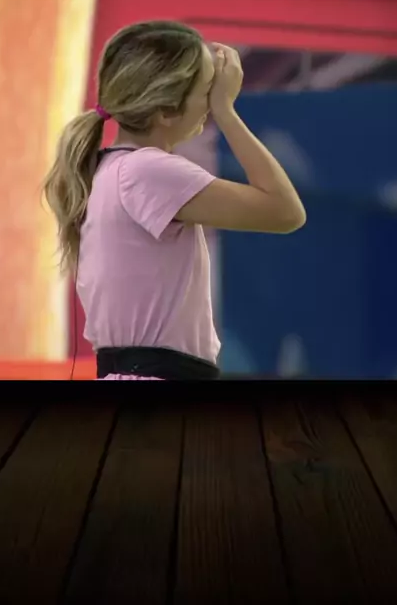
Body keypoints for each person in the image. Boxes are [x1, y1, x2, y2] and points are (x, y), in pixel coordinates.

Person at [43, 21, 306, 380]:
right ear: (166, 111)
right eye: (207, 91)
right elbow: (284, 211)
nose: (211, 102)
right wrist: (227, 112)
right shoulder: (147, 171)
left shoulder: (110, 170)